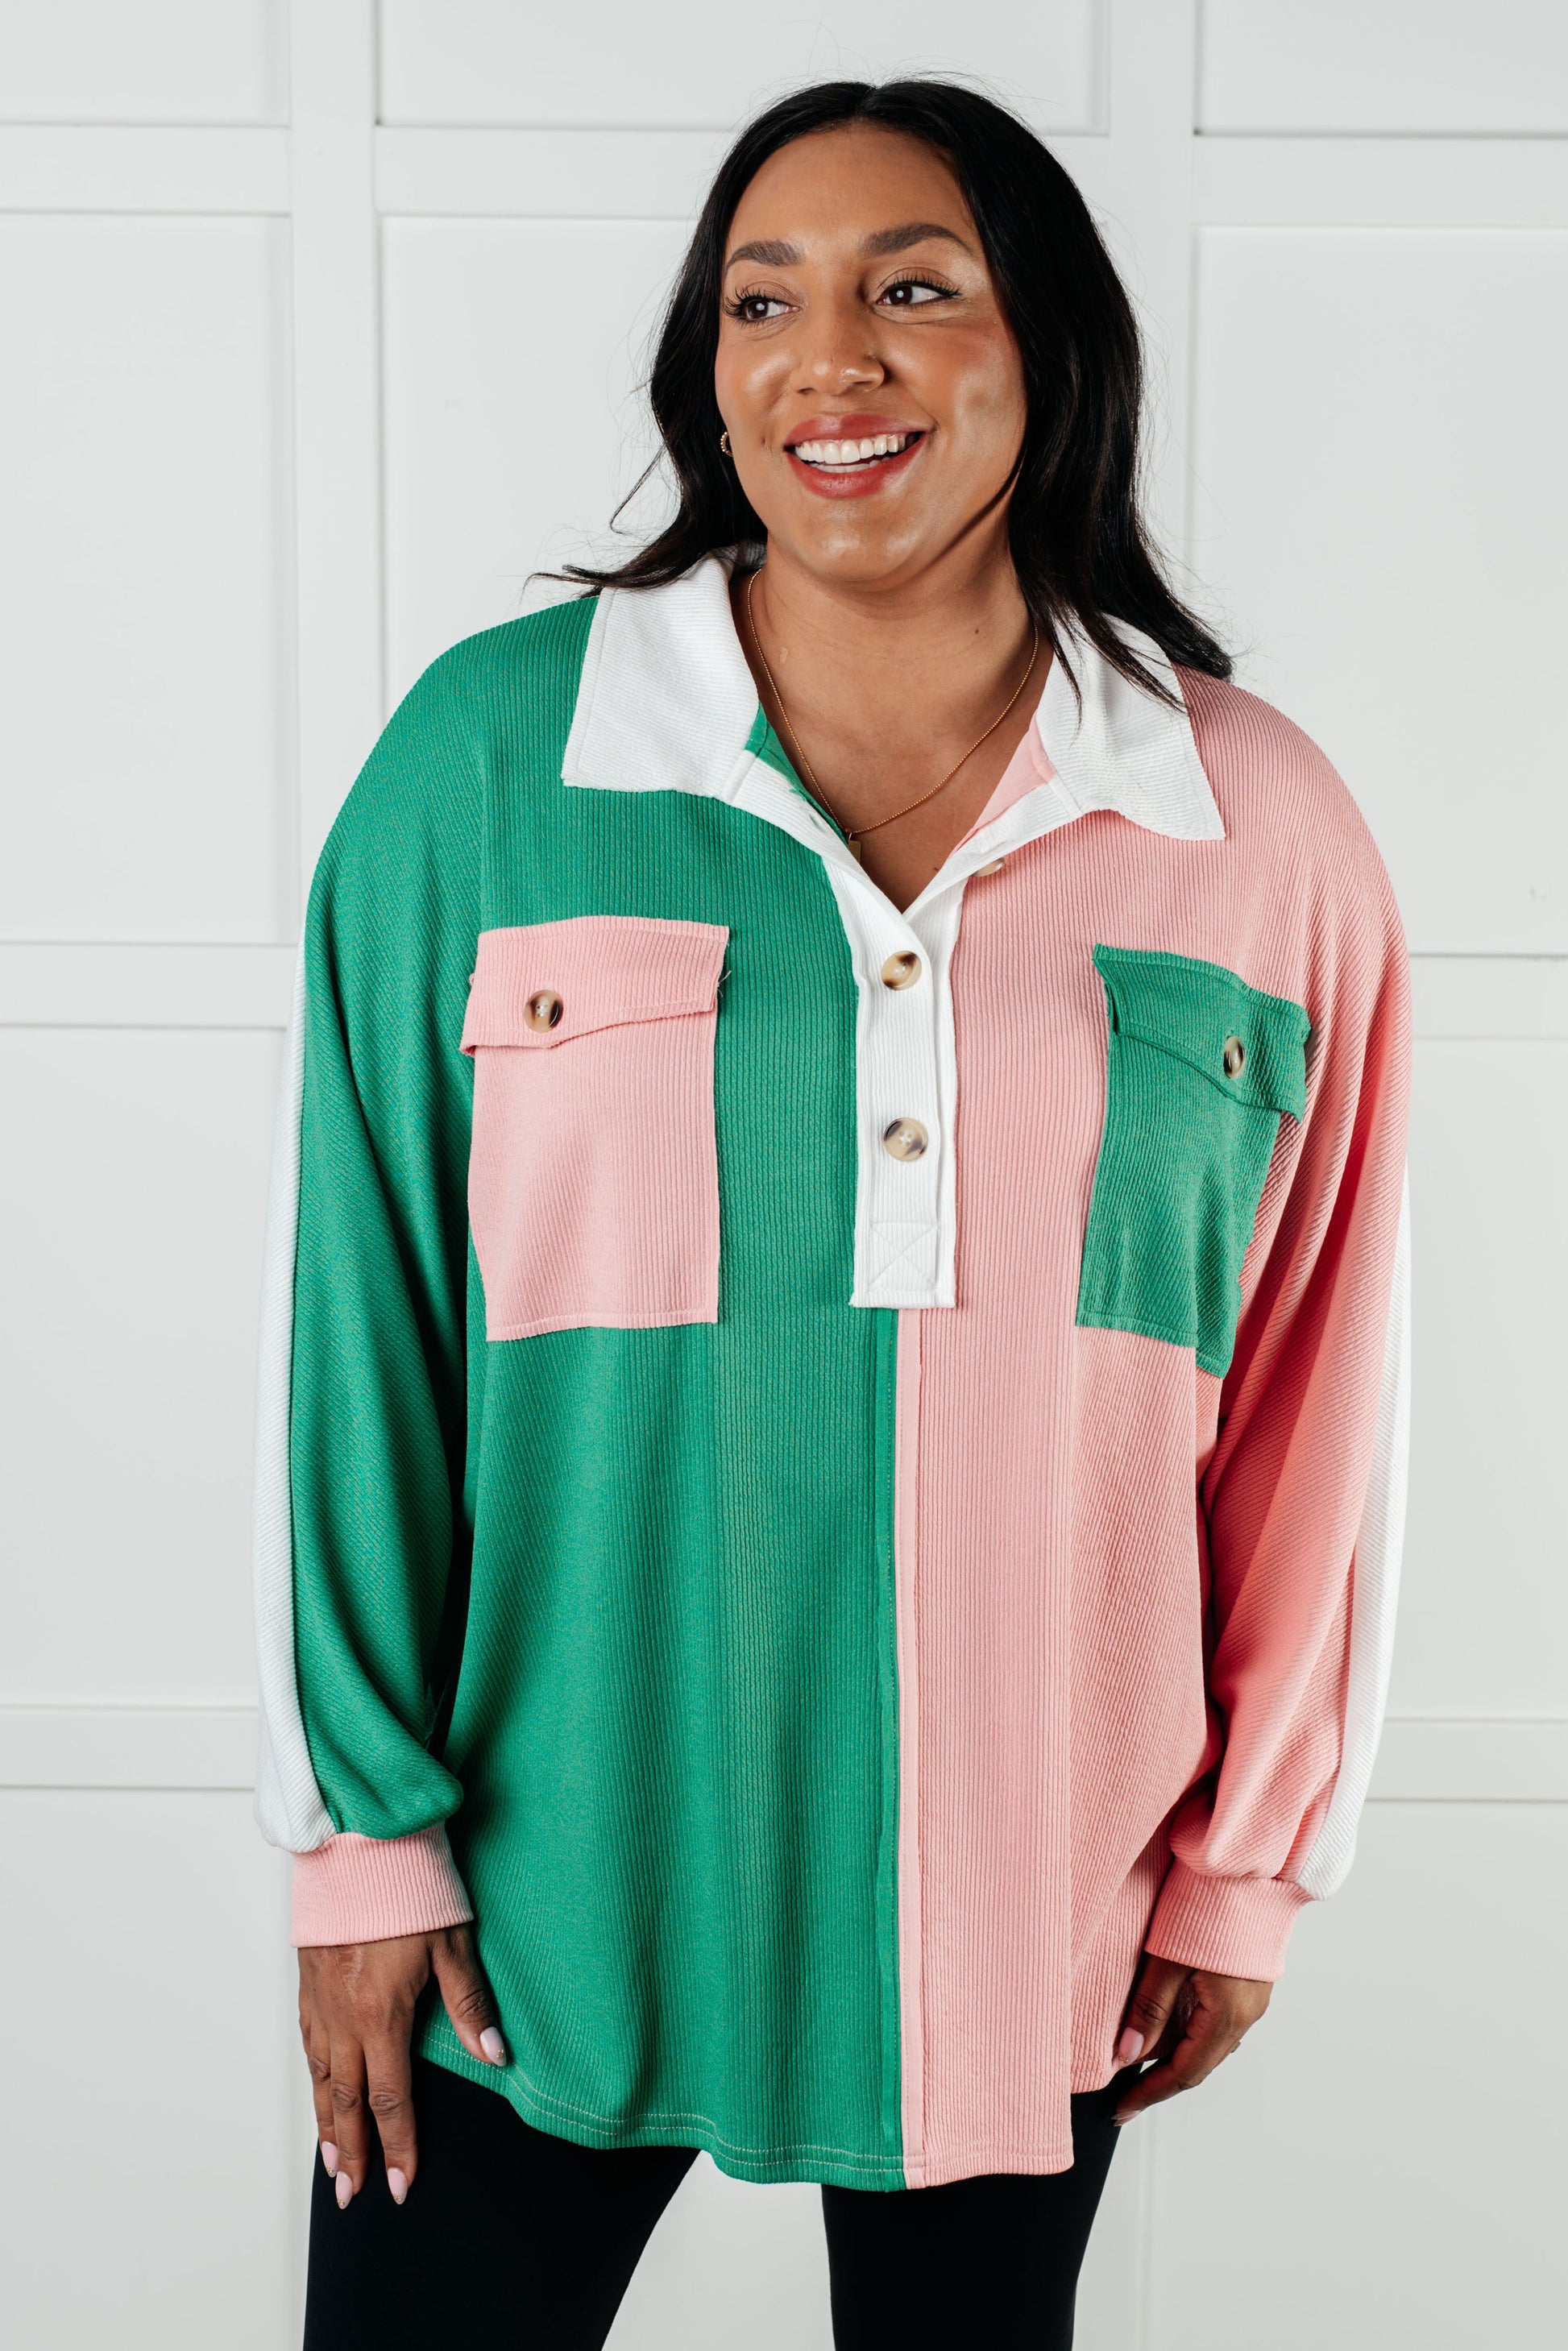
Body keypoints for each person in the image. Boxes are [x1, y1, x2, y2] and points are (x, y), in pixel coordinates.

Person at [252, 77, 1411, 2351]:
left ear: (1046, 346)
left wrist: (1246, 1867)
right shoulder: (489, 764)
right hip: (542, 1870)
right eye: (761, 300)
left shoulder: (1254, 830)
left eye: (914, 288)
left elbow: (1312, 1396)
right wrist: (358, 1836)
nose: (830, 359)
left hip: (1036, 1882)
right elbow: (359, 1321)